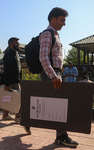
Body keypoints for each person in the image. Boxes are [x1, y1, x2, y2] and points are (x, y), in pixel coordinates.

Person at [39, 7, 78, 147]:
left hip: (55, 73)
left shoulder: (55, 34)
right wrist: (54, 76)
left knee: (58, 106)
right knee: (58, 107)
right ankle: (61, 136)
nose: (64, 24)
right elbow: (43, 57)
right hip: (51, 74)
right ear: (53, 19)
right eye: (62, 20)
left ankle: (60, 135)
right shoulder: (47, 34)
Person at [3, 37, 31, 135]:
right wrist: (7, 84)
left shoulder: (16, 54)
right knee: (20, 99)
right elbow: (6, 70)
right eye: (16, 43)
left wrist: (20, 80)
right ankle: (18, 117)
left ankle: (5, 114)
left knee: (11, 98)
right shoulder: (8, 54)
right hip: (11, 81)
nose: (18, 44)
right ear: (11, 44)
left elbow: (18, 69)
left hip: (16, 80)